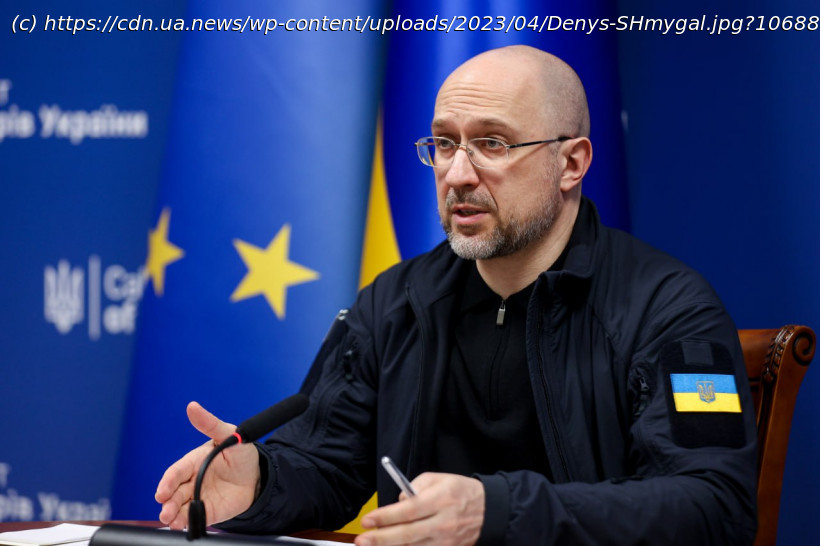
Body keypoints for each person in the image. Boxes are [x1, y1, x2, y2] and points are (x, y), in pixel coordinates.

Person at [155, 45, 757, 545]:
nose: (458, 175)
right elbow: (327, 465)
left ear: (571, 163)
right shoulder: (395, 302)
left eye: (493, 144)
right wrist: (262, 481)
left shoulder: (669, 309)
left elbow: (713, 506)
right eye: (444, 144)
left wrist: (499, 513)